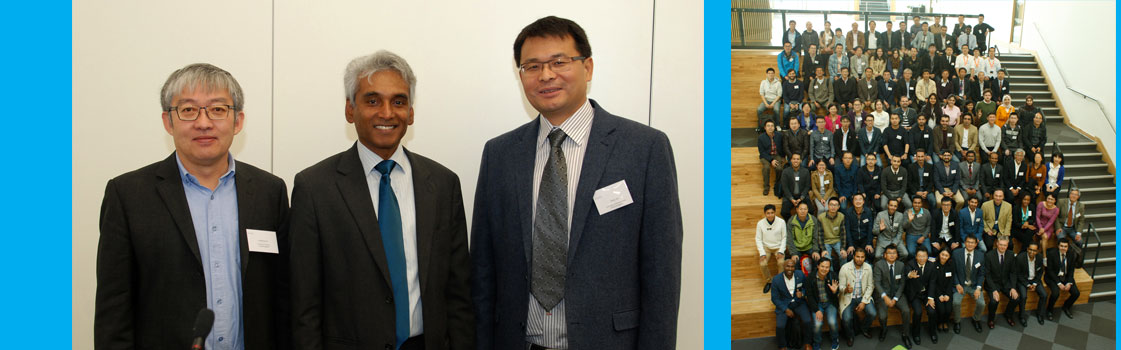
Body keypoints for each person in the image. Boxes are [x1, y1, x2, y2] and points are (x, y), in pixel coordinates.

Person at [471, 17, 683, 349]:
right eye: (532, 66)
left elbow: (662, 274)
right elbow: (482, 271)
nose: (546, 75)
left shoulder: (644, 149)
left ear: (588, 67)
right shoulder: (499, 154)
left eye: (559, 62)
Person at [95, 63, 291, 350]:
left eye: (218, 109)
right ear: (168, 121)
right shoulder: (128, 195)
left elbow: (283, 294)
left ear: (237, 121)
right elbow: (114, 309)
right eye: (188, 110)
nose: (203, 123)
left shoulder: (269, 191)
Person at [291, 50, 473, 350]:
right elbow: (303, 302)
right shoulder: (315, 187)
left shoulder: (442, 184)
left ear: (411, 113)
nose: (387, 113)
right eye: (372, 101)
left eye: (399, 101)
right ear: (350, 110)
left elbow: (459, 294)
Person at [873, 244, 912, 347]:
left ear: (897, 255)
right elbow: (877, 283)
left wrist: (895, 298)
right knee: (882, 316)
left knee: (906, 311)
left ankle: (905, 334)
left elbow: (902, 283)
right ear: (885, 255)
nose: (892, 255)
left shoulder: (901, 265)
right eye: (889, 253)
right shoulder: (879, 265)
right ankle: (884, 329)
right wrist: (885, 297)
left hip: (897, 294)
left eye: (894, 253)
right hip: (883, 294)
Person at [838, 249, 877, 347]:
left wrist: (864, 302)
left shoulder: (868, 267)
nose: (860, 259)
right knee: (846, 319)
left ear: (865, 258)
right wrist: (846, 290)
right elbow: (840, 287)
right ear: (853, 256)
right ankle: (850, 336)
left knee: (872, 313)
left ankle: (863, 329)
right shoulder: (844, 268)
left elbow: (870, 286)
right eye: (857, 256)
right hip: (848, 298)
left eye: (862, 257)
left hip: (862, 296)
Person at [772, 259, 813, 350]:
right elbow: (774, 298)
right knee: (780, 326)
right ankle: (782, 346)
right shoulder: (776, 279)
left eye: (792, 266)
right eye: (788, 266)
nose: (790, 268)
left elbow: (806, 287)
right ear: (783, 267)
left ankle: (808, 343)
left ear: (795, 267)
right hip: (784, 305)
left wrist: (802, 293)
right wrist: (785, 309)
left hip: (799, 303)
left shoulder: (800, 274)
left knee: (807, 321)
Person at [952, 236, 987, 333]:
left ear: (976, 244)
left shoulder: (980, 255)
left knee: (982, 303)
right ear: (965, 242)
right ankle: (957, 322)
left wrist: (978, 288)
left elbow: (981, 274)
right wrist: (957, 284)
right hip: (960, 285)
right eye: (968, 242)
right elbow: (953, 272)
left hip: (974, 286)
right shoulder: (956, 253)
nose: (970, 244)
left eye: (972, 242)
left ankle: (976, 319)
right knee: (956, 302)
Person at [806, 258, 840, 350]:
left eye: (827, 267)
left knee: (832, 322)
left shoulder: (832, 275)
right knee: (817, 324)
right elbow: (809, 296)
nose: (824, 269)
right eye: (822, 266)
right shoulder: (810, 277)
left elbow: (837, 293)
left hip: (830, 303)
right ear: (817, 266)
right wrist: (816, 310)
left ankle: (835, 339)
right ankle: (816, 343)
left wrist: (835, 292)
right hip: (817, 304)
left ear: (829, 268)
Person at [984, 237, 1018, 329]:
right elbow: (987, 275)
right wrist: (994, 289)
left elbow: (1013, 272)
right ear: (997, 244)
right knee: (994, 301)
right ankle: (991, 319)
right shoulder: (989, 255)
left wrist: (1013, 287)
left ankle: (1008, 315)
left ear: (1007, 246)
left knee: (1015, 298)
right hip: (993, 283)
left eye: (1005, 245)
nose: (1003, 247)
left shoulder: (1011, 255)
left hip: (1006, 283)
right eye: (1001, 245)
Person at [1012, 241, 1048, 326]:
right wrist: (1028, 285)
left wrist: (1035, 284)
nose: (1032, 252)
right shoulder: (1020, 258)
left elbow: (1040, 272)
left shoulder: (1039, 258)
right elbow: (1018, 275)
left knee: (1044, 295)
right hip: (1023, 281)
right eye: (1030, 250)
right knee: (1023, 296)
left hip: (1035, 280)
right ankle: (1022, 316)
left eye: (1034, 250)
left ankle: (1040, 314)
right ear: (1027, 249)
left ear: (1037, 251)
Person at [904, 247, 934, 345]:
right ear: (916, 257)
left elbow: (932, 282)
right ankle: (915, 334)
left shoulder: (931, 265)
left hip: (926, 294)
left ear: (927, 257)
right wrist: (909, 275)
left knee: (931, 310)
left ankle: (932, 332)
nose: (922, 258)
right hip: (915, 294)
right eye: (919, 256)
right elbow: (906, 274)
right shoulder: (910, 264)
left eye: (924, 256)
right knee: (918, 312)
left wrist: (930, 298)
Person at [1045, 238, 1081, 320]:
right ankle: (1049, 310)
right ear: (1058, 246)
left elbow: (1071, 270)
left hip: (1065, 276)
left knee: (1076, 293)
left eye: (1065, 246)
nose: (1063, 248)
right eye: (1061, 246)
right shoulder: (1051, 254)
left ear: (1068, 247)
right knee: (1055, 293)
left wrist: (1069, 282)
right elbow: (1049, 271)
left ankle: (1066, 307)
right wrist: (1059, 283)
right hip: (1053, 277)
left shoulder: (1071, 254)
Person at [758, 204, 789, 292]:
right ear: (765, 214)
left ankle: (779, 282)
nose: (770, 215)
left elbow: (784, 237)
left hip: (778, 248)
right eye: (768, 213)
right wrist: (762, 253)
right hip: (766, 248)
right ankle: (769, 282)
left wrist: (781, 251)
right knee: (762, 264)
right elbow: (758, 239)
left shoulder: (781, 222)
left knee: (781, 263)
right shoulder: (760, 223)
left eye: (772, 213)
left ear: (775, 213)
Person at [927, 249, 954, 338]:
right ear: (939, 254)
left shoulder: (951, 266)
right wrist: (939, 295)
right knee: (941, 309)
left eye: (946, 255)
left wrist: (947, 294)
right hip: (937, 292)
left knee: (948, 309)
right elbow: (933, 282)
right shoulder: (934, 265)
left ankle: (945, 322)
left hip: (947, 292)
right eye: (942, 254)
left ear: (949, 257)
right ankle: (940, 323)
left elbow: (951, 282)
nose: (944, 257)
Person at [843, 194, 876, 260]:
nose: (858, 201)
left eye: (860, 199)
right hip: (853, 240)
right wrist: (850, 244)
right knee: (849, 256)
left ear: (863, 201)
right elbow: (847, 229)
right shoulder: (848, 212)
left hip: (865, 239)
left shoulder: (868, 212)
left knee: (871, 254)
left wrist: (869, 243)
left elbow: (870, 228)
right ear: (853, 201)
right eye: (856, 199)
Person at [817, 198, 848, 267]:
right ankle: (830, 276)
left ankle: (843, 274)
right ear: (828, 206)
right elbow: (820, 235)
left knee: (843, 255)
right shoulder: (821, 217)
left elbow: (843, 234)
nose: (833, 207)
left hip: (837, 240)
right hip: (826, 241)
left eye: (835, 205)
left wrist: (843, 248)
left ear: (839, 207)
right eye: (831, 205)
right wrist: (823, 249)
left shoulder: (841, 216)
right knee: (826, 259)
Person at [781, 153, 812, 220]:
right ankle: (792, 223)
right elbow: (785, 187)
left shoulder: (806, 171)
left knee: (811, 210)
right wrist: (791, 199)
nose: (796, 161)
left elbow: (807, 186)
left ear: (801, 161)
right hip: (789, 196)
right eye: (794, 159)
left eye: (798, 159)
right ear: (791, 160)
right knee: (784, 212)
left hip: (802, 196)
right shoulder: (785, 172)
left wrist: (801, 198)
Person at [760, 120, 786, 196]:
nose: (770, 128)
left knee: (779, 168)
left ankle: (777, 184)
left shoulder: (779, 135)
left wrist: (783, 157)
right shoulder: (761, 138)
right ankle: (766, 187)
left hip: (776, 155)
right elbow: (762, 152)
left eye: (772, 126)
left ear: (774, 127)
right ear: (765, 128)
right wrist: (771, 160)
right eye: (768, 126)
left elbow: (782, 146)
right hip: (766, 156)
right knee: (766, 168)